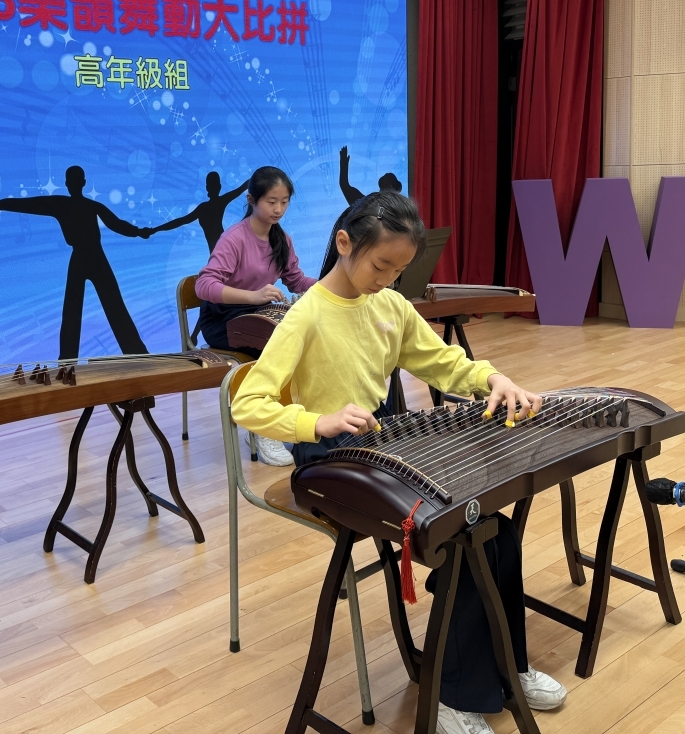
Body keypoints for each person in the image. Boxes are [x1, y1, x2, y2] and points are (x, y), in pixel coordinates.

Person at [231, 191, 565, 734]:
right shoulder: (307, 315)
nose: (387, 279)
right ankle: (451, 698)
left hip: (383, 450)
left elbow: (443, 363)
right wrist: (317, 421)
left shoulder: (388, 306)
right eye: (380, 265)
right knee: (465, 539)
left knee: (497, 533)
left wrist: (492, 378)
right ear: (345, 243)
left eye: (398, 270)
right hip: (329, 462)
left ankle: (509, 666)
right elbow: (247, 403)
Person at [195, 166, 316, 467]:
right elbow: (204, 285)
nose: (278, 209)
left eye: (284, 202)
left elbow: (296, 280)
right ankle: (264, 427)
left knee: (303, 335)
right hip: (222, 319)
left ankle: (298, 417)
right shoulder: (235, 238)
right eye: (271, 201)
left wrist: (335, 283)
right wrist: (253, 296)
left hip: (255, 313)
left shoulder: (281, 239)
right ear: (252, 200)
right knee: (274, 344)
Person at [0, 166, 148, 360]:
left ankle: (134, 355)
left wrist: (138, 231)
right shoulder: (69, 205)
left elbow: (117, 224)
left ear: (73, 184)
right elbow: (27, 204)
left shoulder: (74, 205)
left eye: (74, 181)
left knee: (107, 307)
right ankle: (70, 361)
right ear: (77, 183)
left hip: (93, 257)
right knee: (77, 311)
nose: (73, 184)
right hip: (85, 258)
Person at [321, 145, 404, 277]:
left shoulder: (400, 217)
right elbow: (345, 185)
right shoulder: (366, 206)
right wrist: (343, 165)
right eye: (378, 267)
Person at [141, 171, 250, 252]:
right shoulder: (213, 205)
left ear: (207, 187)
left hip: (223, 251)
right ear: (219, 187)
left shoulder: (206, 207)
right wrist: (154, 230)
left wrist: (154, 230)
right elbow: (241, 188)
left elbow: (180, 221)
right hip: (222, 251)